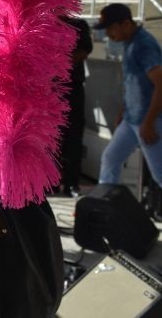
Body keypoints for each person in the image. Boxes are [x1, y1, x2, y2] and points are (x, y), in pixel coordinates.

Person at [96, 3, 162, 199]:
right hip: (133, 120)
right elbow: (133, 83)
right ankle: (103, 207)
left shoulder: (143, 45)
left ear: (125, 23)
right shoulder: (130, 43)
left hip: (150, 121)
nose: (108, 34)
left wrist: (148, 122)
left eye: (111, 28)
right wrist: (124, 110)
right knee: (111, 158)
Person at [55, 16, 93, 197]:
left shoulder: (78, 25)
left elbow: (85, 50)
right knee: (50, 138)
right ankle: (51, 183)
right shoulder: (43, 24)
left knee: (74, 138)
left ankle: (71, 183)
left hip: (72, 88)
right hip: (49, 89)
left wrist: (61, 62)